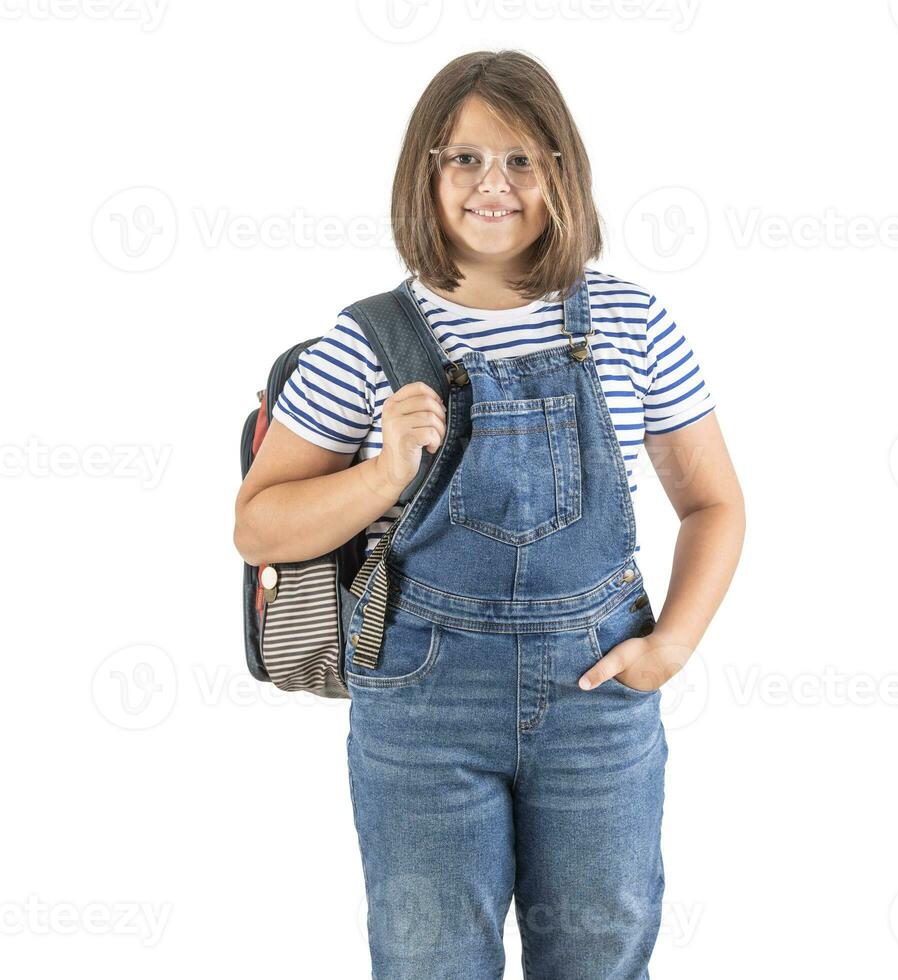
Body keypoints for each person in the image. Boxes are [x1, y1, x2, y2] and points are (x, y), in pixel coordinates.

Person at [234, 49, 744, 980]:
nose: (491, 184)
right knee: (429, 961)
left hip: (597, 697)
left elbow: (713, 503)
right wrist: (383, 472)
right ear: (424, 176)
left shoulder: (633, 322)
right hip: (423, 700)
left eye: (520, 158)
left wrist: (670, 646)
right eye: (462, 158)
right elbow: (258, 526)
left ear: (562, 173)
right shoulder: (367, 340)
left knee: (599, 954)